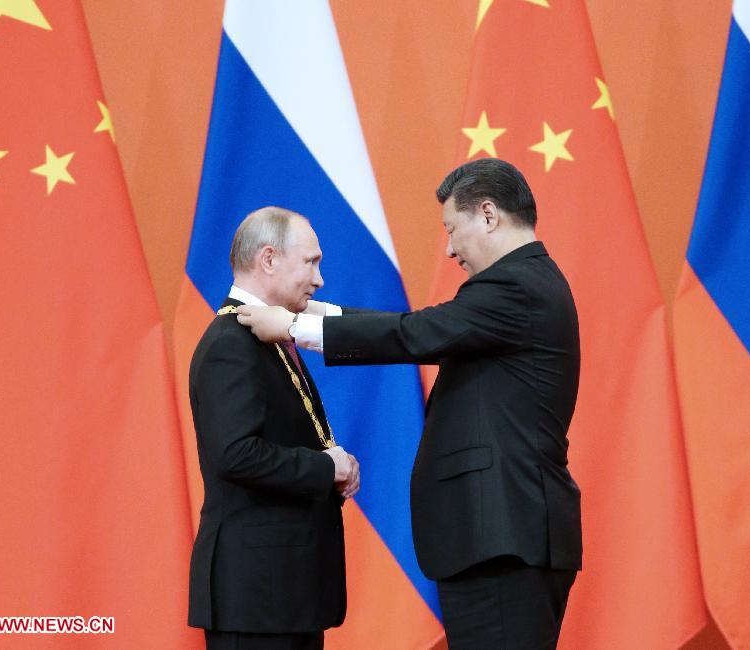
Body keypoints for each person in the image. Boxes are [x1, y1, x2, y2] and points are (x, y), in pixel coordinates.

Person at [237, 159, 582, 649]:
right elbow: (422, 330)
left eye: (452, 229)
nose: (449, 249)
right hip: (503, 538)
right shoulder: (527, 283)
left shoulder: (517, 285)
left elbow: (418, 333)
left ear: (488, 214)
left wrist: (294, 327)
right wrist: (312, 309)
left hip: (504, 542)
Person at [188, 206, 359, 650]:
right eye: (310, 262)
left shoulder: (267, 337)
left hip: (282, 593)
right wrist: (326, 468)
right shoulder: (230, 343)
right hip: (256, 596)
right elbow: (236, 454)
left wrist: (334, 468)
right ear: (268, 259)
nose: (319, 278)